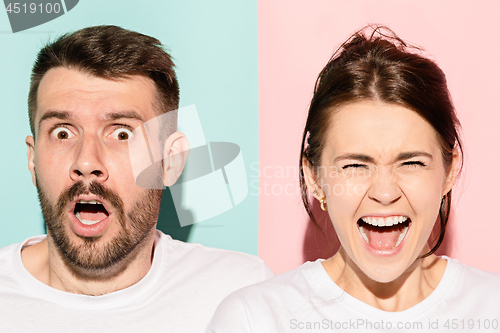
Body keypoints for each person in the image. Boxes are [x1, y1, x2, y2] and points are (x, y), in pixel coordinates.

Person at [207, 26, 500, 332]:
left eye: (411, 162)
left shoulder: (492, 306)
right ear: (315, 178)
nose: (385, 193)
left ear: (449, 172)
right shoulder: (255, 319)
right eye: (355, 166)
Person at [0, 25, 273, 332]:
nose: (86, 161)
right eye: (63, 132)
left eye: (121, 133)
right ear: (32, 158)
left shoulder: (241, 293)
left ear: (170, 162)